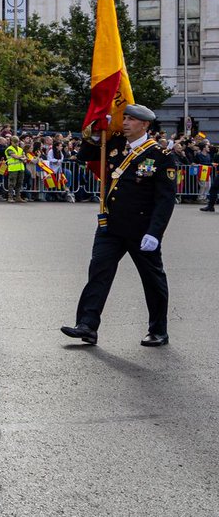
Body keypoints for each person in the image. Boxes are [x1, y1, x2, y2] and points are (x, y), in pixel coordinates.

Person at [61, 104, 176, 347]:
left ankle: (158, 330)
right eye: (124, 118)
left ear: (144, 125)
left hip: (141, 229)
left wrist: (155, 233)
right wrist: (94, 135)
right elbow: (84, 157)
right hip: (110, 226)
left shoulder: (161, 156)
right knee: (98, 273)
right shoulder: (113, 145)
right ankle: (87, 325)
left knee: (152, 280)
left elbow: (165, 200)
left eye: (131, 120)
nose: (124, 122)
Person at [4, 135, 27, 202]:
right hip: (13, 169)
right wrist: (22, 157)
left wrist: (23, 157)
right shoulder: (9, 149)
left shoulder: (20, 149)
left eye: (17, 142)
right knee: (12, 183)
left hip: (21, 168)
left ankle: (18, 197)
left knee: (19, 183)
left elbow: (25, 159)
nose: (17, 144)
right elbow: (15, 156)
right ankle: (10, 197)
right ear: (11, 142)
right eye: (15, 142)